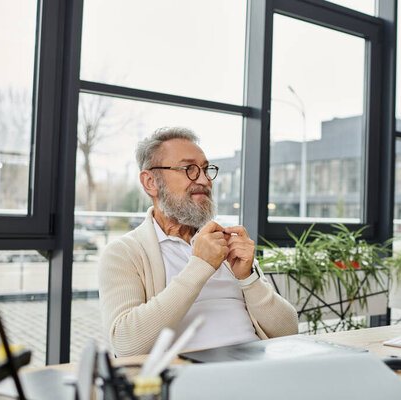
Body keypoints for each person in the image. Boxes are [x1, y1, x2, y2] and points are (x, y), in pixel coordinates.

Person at [99, 127, 298, 357]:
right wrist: (200, 266)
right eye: (189, 169)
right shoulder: (123, 253)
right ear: (150, 181)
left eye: (205, 169)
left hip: (255, 371)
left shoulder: (225, 241)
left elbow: (289, 331)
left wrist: (249, 279)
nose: (204, 180)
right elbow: (126, 344)